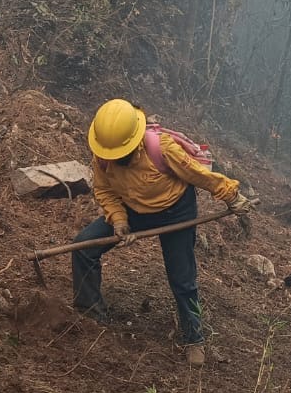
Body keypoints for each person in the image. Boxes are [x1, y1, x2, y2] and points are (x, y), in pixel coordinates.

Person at [72, 99, 250, 366]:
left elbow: (198, 174)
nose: (116, 158)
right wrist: (119, 221)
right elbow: (105, 190)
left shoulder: (161, 148)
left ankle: (194, 337)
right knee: (84, 247)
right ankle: (90, 314)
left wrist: (231, 196)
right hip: (132, 209)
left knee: (182, 278)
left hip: (175, 210)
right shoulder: (104, 155)